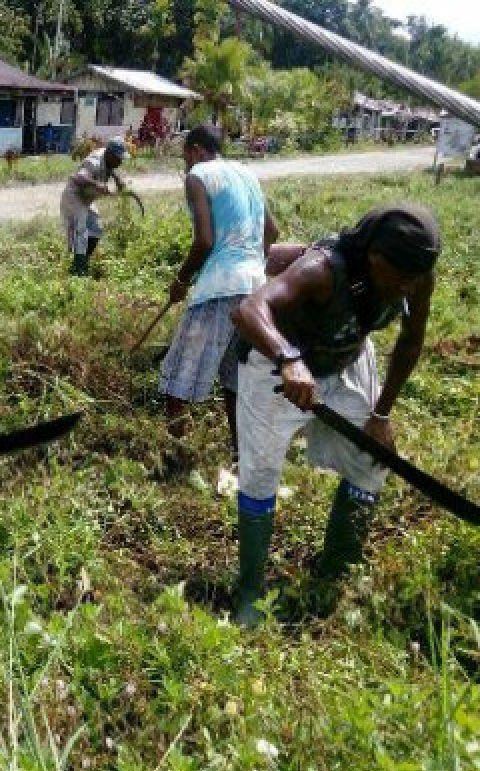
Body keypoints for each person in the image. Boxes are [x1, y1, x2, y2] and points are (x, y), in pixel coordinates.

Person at [230, 206, 440, 627]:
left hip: (343, 362)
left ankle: (335, 573)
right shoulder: (322, 269)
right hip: (276, 368)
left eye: (415, 281)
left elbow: (410, 342)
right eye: (401, 280)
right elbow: (250, 309)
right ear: (377, 259)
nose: (409, 289)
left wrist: (381, 413)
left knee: (370, 461)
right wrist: (288, 358)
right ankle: (250, 591)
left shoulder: (415, 276)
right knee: (260, 472)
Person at [159, 125, 278, 452]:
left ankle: (175, 455)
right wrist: (251, 267)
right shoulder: (247, 173)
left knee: (176, 377)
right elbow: (273, 231)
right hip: (255, 291)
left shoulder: (198, 175)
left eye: (185, 157)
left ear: (196, 150)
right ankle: (241, 456)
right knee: (234, 379)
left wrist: (181, 281)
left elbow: (205, 240)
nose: (185, 165)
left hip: (220, 287)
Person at [59, 137, 128, 277]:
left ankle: (83, 262)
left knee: (96, 229)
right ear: (110, 154)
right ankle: (78, 271)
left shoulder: (108, 157)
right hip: (75, 197)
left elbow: (110, 166)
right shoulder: (94, 162)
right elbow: (78, 178)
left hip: (87, 199)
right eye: (118, 158)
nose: (120, 162)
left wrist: (117, 178)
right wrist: (97, 185)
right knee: (82, 232)